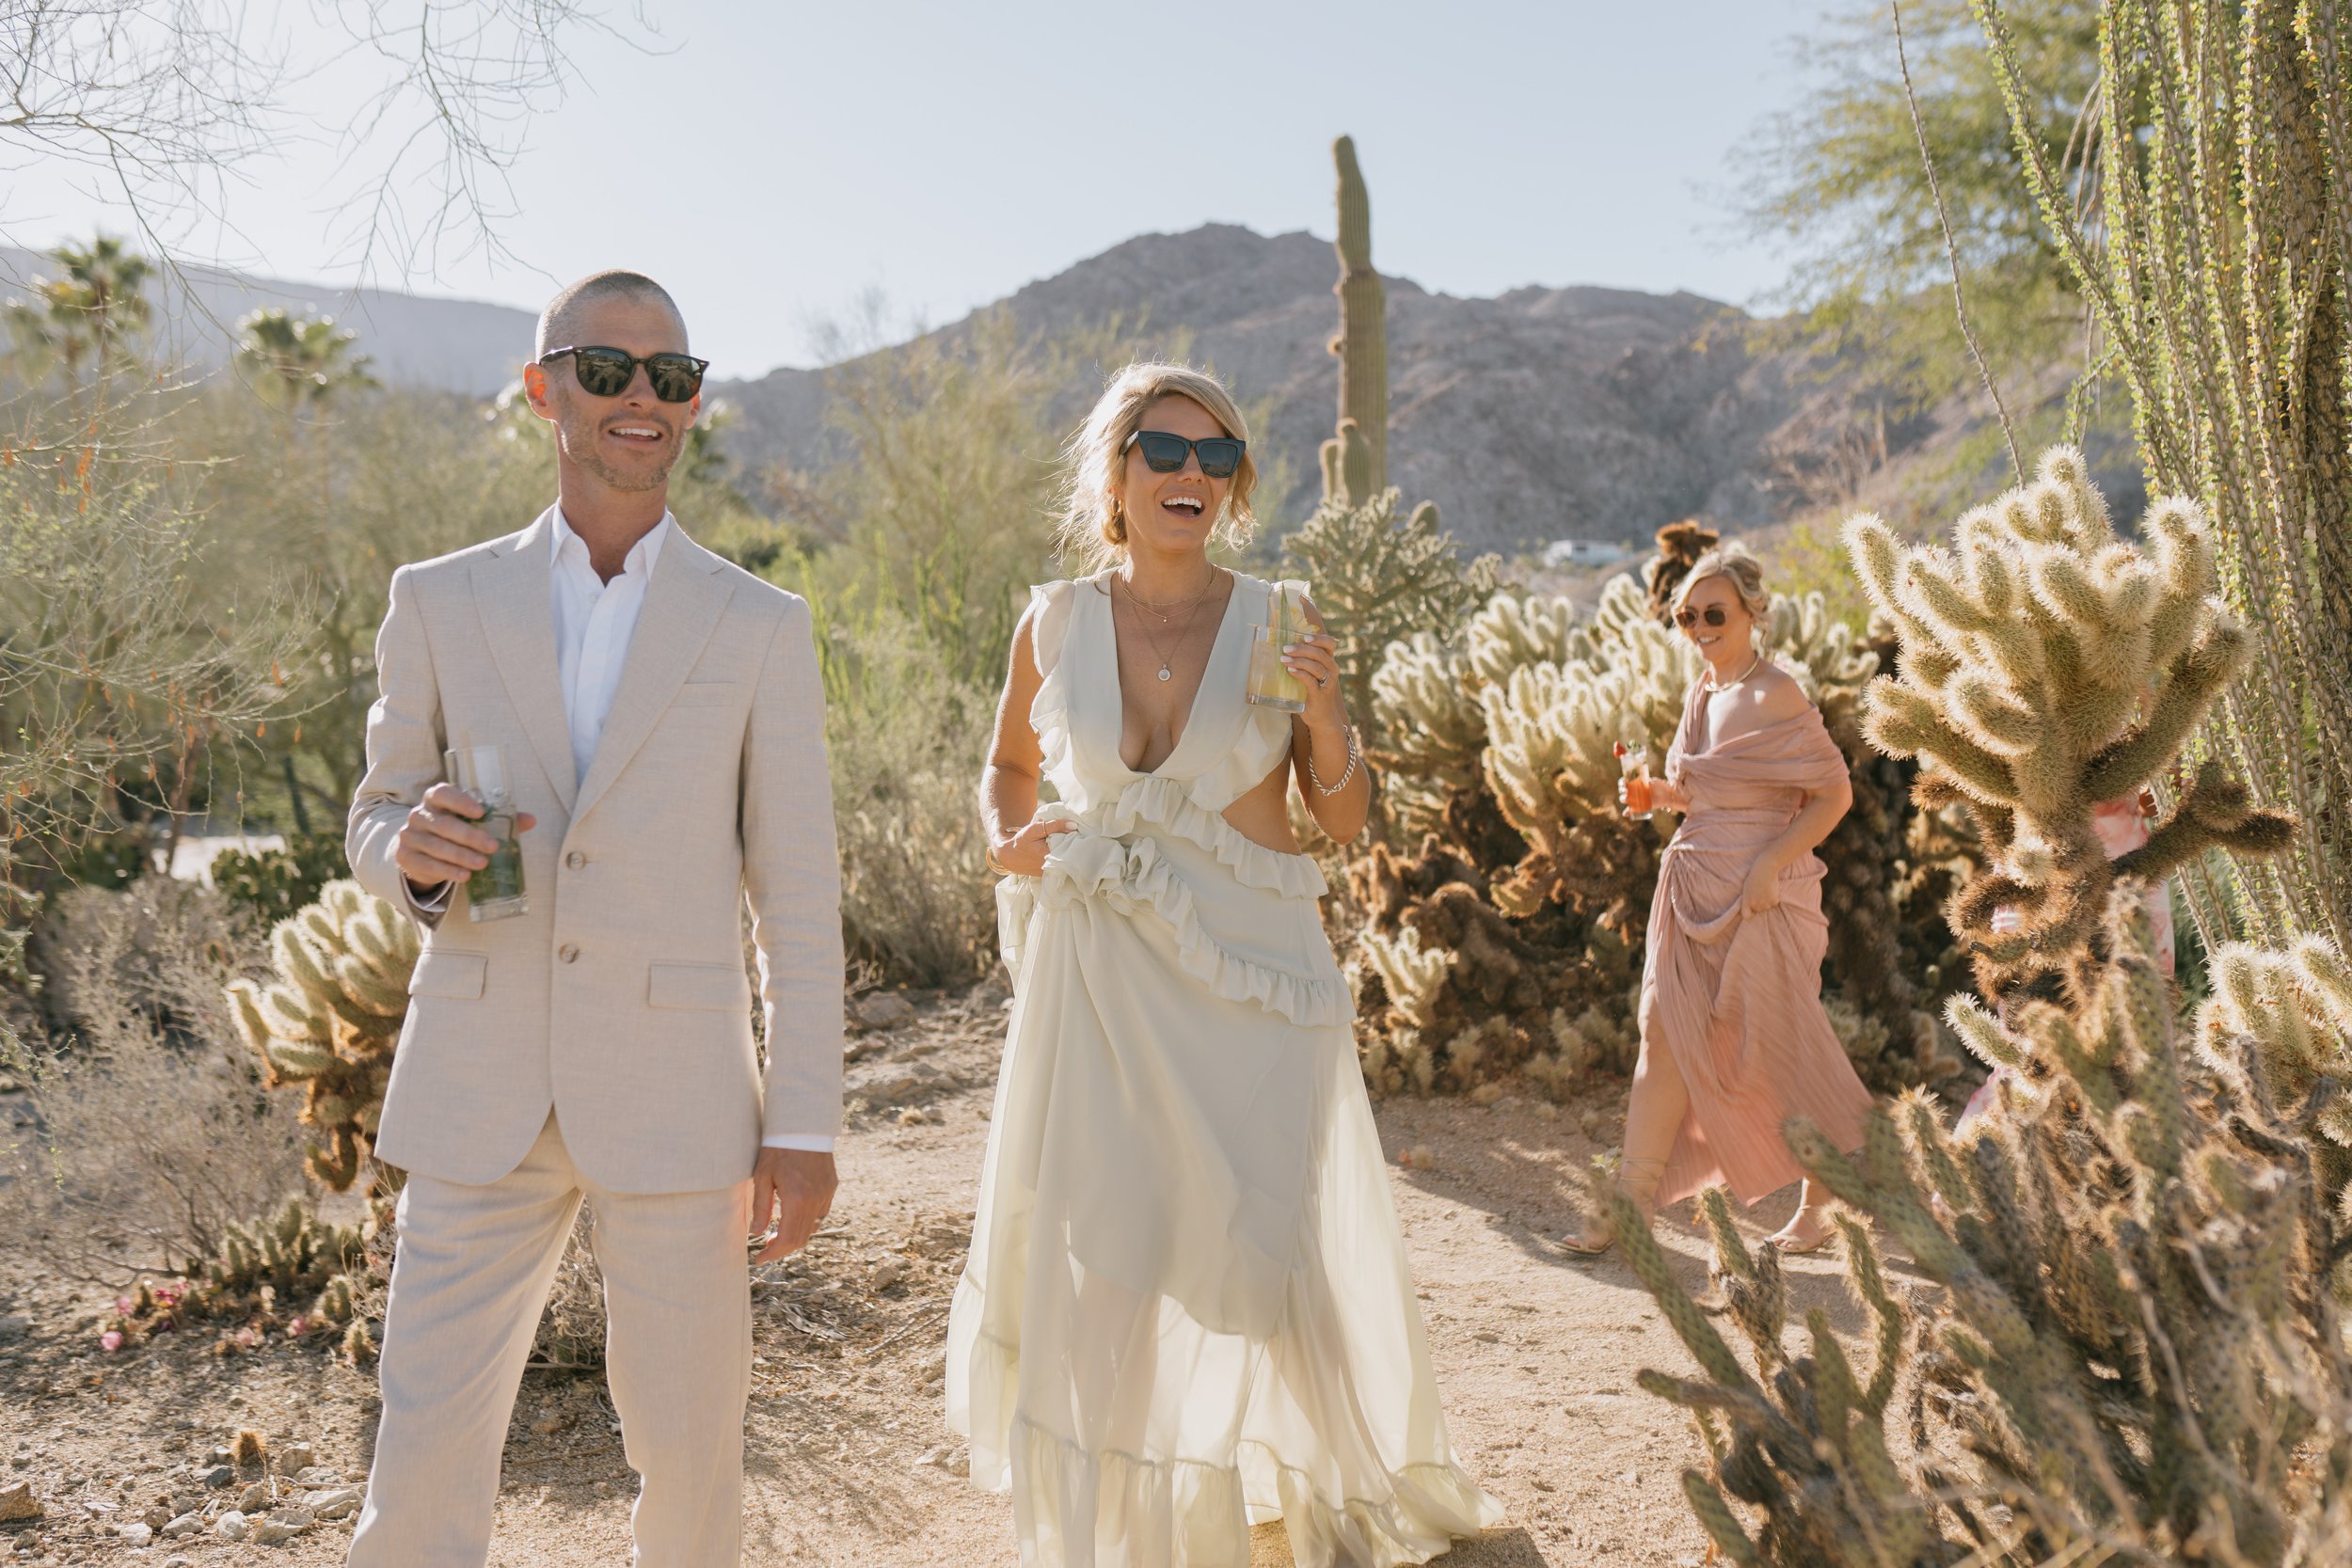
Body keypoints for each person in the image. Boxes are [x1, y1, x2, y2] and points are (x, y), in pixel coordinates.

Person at [947, 362, 1501, 1567]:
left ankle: (1333, 1480)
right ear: (1116, 470)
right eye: (1164, 449)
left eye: (1216, 456)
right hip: (1101, 966)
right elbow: (1006, 765)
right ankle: (1129, 1524)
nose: (1190, 473)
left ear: (1236, 483)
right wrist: (1008, 836)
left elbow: (1342, 820)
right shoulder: (1050, 619)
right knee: (1113, 1243)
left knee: (1269, 1240)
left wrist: (1331, 712)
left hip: (1255, 976)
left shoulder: (1283, 616)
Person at [343, 271, 844, 1567]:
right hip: (478, 1082)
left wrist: (802, 1123)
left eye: (669, 377)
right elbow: (376, 807)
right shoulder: (439, 598)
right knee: (422, 1453)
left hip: (682, 1101)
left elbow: (798, 897)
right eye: (608, 370)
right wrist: (411, 849)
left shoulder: (760, 624)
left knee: (689, 1459)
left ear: (693, 403)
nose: (642, 399)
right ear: (542, 389)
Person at [1565, 545, 1875, 1257]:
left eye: (1713, 613)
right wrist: (1656, 794)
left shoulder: (1778, 694)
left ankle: (1820, 1205)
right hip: (1693, 885)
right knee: (1661, 1032)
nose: (1699, 626)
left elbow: (1834, 794)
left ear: (1751, 613)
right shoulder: (1702, 692)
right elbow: (1700, 794)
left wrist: (1771, 862)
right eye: (1685, 615)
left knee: (1776, 1045)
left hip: (1762, 899)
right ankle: (1630, 1207)